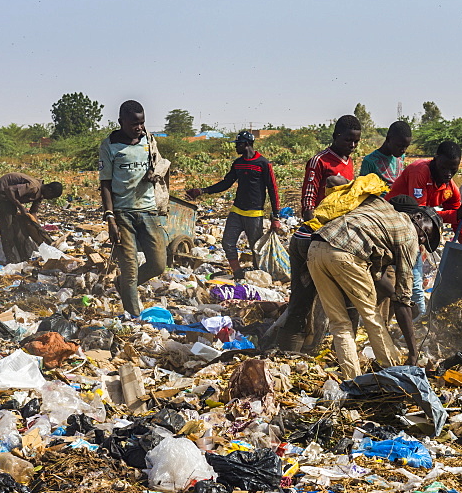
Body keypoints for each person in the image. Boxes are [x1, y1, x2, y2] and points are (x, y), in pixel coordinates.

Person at [307, 194, 442, 379]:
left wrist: (396, 296)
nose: (424, 240)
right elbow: (402, 299)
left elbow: (380, 279)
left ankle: (351, 379)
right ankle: (393, 371)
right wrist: (413, 352)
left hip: (316, 247)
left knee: (339, 322)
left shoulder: (382, 210)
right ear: (418, 217)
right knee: (372, 316)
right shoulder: (409, 232)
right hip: (345, 253)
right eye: (428, 232)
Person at [276, 115, 363, 351]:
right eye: (348, 141)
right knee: (302, 300)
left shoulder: (349, 162)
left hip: (340, 236)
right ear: (336, 137)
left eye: (356, 142)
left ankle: (320, 347)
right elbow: (308, 204)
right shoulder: (319, 161)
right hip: (317, 236)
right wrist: (321, 229)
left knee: (336, 300)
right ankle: (288, 350)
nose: (352, 146)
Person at [99, 100, 172, 318]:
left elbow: (161, 164)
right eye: (134, 124)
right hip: (122, 214)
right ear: (121, 122)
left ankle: (123, 285)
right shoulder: (109, 145)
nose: (139, 128)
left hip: (148, 211)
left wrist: (155, 174)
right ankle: (134, 317)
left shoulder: (149, 140)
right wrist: (110, 218)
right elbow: (105, 184)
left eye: (142, 123)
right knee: (130, 269)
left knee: (159, 263)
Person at [386, 140, 462, 316]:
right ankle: (420, 322)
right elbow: (419, 216)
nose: (448, 173)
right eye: (444, 167)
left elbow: (459, 220)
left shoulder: (449, 187)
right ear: (435, 159)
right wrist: (452, 215)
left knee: (407, 279)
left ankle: (410, 319)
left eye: (453, 169)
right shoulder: (420, 171)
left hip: (412, 232)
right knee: (414, 278)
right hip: (393, 226)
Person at [186, 131, 281, 279]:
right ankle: (238, 273)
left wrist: (276, 216)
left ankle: (259, 275)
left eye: (239, 144)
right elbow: (226, 183)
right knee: (227, 243)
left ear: (247, 144)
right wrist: (202, 190)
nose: (236, 147)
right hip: (237, 211)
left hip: (254, 214)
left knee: (256, 249)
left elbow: (273, 189)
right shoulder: (238, 163)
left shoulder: (263, 164)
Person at [0, 173, 63, 264]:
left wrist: (38, 228)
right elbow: (9, 189)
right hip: (2, 193)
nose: (49, 199)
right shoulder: (34, 187)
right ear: (49, 190)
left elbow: (33, 212)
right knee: (7, 229)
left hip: (10, 198)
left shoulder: (41, 194)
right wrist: (20, 207)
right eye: (51, 197)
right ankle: (11, 260)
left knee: (18, 229)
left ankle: (23, 258)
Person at [360, 121, 412, 186]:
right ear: (388, 139)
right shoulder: (369, 161)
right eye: (399, 146)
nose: (403, 150)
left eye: (406, 146)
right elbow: (362, 188)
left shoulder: (401, 157)